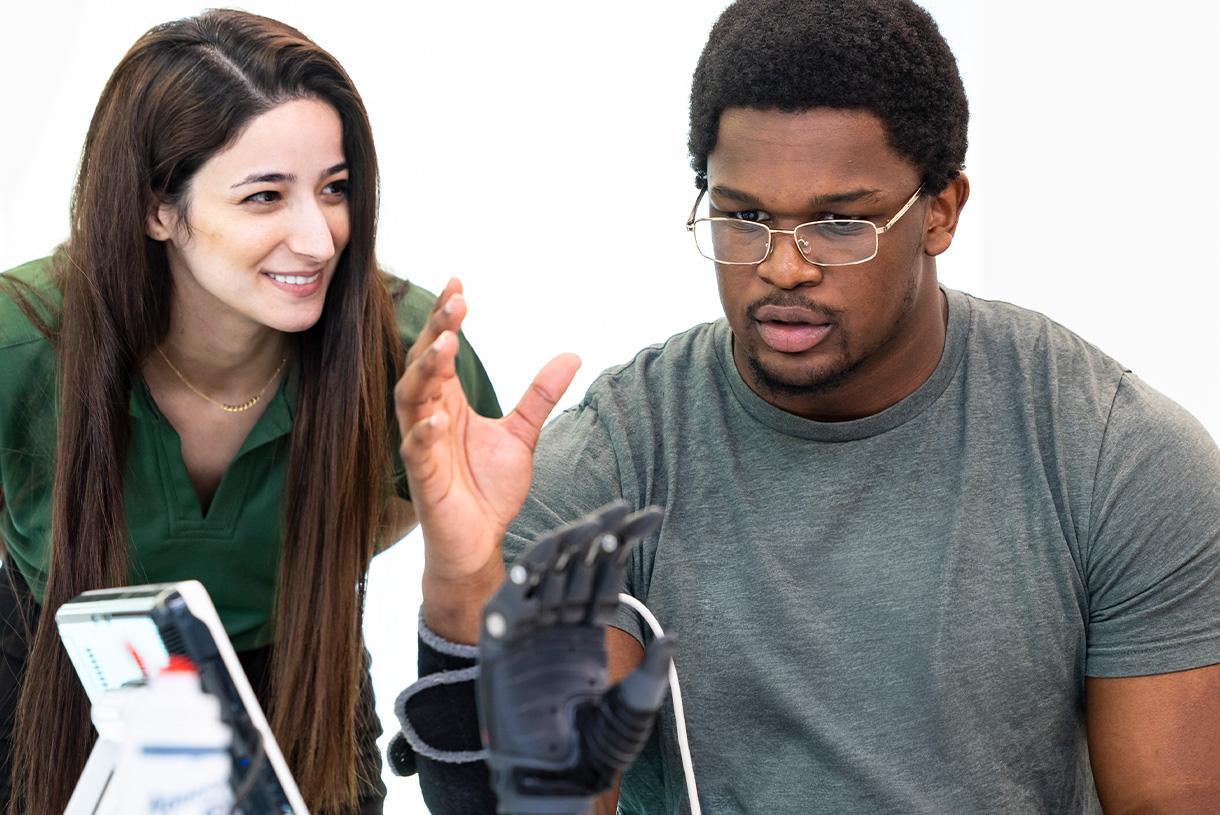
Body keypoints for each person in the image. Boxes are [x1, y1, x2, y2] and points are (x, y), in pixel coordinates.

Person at [389, 0, 1220, 812]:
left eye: (839, 223)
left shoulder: (1117, 455)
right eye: (744, 217)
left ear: (941, 210)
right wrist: (463, 582)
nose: (783, 268)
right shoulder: (612, 459)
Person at [0, 10, 501, 814]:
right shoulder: (19, 345)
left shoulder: (407, 350)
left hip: (302, 678)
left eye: (334, 189)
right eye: (265, 196)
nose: (318, 237)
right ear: (157, 207)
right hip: (47, 689)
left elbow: (425, 517)